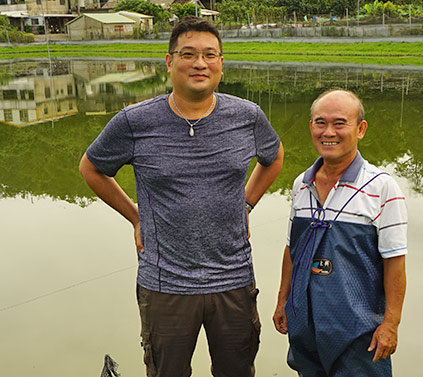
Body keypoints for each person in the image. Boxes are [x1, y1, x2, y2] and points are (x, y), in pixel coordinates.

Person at [79, 16, 284, 377]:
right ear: (169, 61)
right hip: (165, 282)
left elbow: (274, 157)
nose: (200, 63)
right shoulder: (134, 121)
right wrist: (135, 215)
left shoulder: (247, 116)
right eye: (188, 54)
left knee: (237, 370)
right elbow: (92, 169)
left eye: (210, 55)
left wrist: (246, 203)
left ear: (221, 63)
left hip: (234, 280)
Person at [273, 89, 406, 376]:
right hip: (306, 325)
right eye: (320, 123)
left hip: (359, 331)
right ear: (311, 127)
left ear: (361, 129)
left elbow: (394, 260)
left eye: (340, 123)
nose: (328, 132)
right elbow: (291, 249)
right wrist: (283, 301)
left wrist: (391, 325)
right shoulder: (301, 185)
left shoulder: (382, 188)